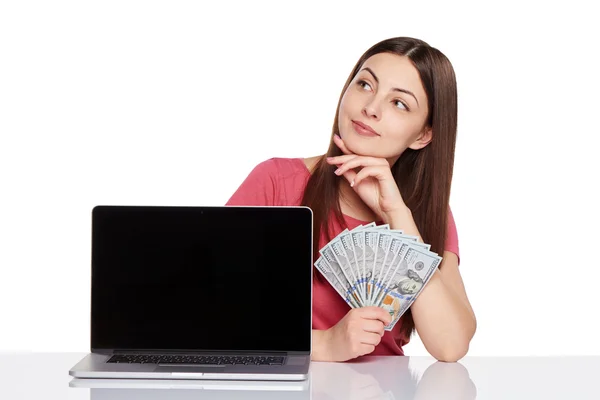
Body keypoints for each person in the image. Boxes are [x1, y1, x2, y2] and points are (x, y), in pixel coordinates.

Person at [226, 36, 476, 362]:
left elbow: (450, 346)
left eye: (399, 103)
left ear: (423, 134)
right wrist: (324, 344)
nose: (370, 108)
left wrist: (396, 214)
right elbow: (211, 314)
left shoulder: (426, 213)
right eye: (365, 84)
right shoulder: (275, 182)